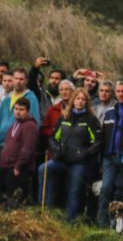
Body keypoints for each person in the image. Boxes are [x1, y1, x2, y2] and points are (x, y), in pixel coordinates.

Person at [38, 88, 102, 221]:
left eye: (83, 99)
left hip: (80, 162)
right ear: (73, 100)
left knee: (74, 190)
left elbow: (98, 141)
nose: (80, 102)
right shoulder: (64, 117)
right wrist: (57, 149)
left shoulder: (91, 119)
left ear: (86, 102)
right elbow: (53, 138)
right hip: (62, 159)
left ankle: (69, 220)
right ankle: (45, 209)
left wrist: (85, 153)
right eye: (77, 99)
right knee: (43, 169)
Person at [0, 97, 38, 207]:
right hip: (5, 165)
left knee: (13, 197)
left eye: (21, 109)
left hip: (18, 168)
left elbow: (27, 149)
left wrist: (18, 166)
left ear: (27, 111)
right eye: (16, 109)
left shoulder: (30, 126)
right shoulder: (14, 124)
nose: (18, 112)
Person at [98, 81, 123, 228]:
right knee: (106, 188)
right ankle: (102, 223)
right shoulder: (109, 112)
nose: (121, 94)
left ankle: (121, 225)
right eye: (118, 91)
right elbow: (102, 137)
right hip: (109, 158)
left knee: (122, 190)